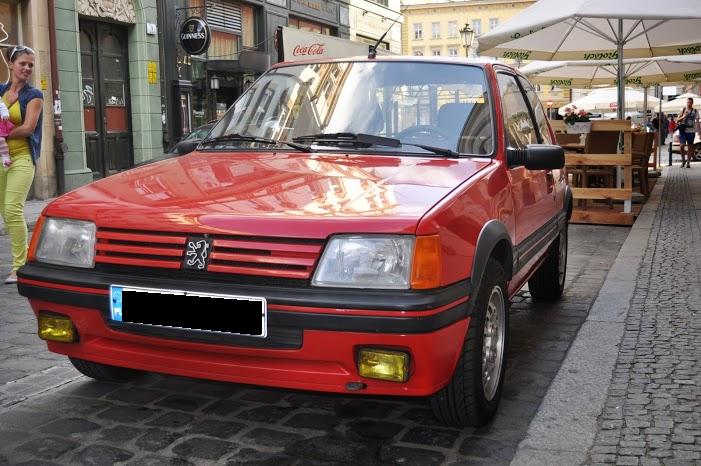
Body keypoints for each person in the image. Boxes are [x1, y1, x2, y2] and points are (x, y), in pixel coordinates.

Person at [0, 45, 43, 284]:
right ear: (11, 64)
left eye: (30, 65)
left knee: (12, 209)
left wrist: (2, 134)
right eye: (22, 63)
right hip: (1, 158)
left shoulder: (34, 95)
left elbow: (27, 128)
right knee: (5, 212)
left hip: (22, 158)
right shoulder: (1, 91)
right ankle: (23, 255)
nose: (27, 68)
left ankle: (19, 266)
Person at [675, 97, 698, 168]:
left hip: (691, 131)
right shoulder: (683, 110)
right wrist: (684, 116)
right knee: (682, 146)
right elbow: (677, 120)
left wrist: (699, 132)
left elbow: (697, 122)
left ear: (692, 103)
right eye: (687, 102)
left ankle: (688, 162)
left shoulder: (695, 111)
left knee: (690, 147)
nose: (688, 104)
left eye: (690, 102)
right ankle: (683, 161)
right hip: (683, 130)